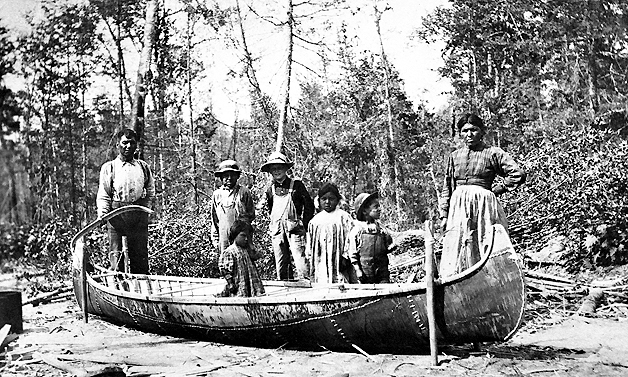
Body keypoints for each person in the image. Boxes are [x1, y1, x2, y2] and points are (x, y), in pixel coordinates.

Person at [439, 113, 526, 276]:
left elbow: (518, 174)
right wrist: (444, 215)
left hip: (483, 205)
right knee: (459, 243)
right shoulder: (454, 156)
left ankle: (489, 277)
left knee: (484, 240)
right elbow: (447, 187)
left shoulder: (493, 153)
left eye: (473, 130)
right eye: (465, 131)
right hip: (458, 207)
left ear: (482, 131)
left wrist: (497, 190)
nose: (469, 134)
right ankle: (459, 279)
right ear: (460, 134)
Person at [96, 128, 155, 274]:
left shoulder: (143, 167)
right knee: (116, 256)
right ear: (118, 145)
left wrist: (145, 209)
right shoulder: (109, 167)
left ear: (137, 146)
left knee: (140, 256)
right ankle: (118, 290)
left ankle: (141, 292)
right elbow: (104, 193)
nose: (129, 146)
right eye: (125, 143)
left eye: (132, 143)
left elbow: (151, 190)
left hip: (138, 215)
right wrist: (103, 213)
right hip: (116, 217)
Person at [261, 151, 315, 281]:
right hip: (277, 229)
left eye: (279, 167)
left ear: (285, 168)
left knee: (300, 260)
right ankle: (285, 290)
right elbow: (270, 209)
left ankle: (306, 289)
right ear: (270, 171)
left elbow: (309, 206)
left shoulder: (296, 185)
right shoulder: (270, 190)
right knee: (281, 261)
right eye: (273, 168)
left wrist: (305, 224)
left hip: (294, 228)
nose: (277, 171)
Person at [306, 183, 355, 283]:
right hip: (322, 258)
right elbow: (311, 244)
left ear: (337, 200)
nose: (327, 202)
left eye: (331, 199)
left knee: (341, 279)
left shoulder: (344, 217)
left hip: (340, 259)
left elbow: (350, 238)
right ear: (319, 200)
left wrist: (345, 256)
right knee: (323, 278)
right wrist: (310, 257)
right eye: (324, 199)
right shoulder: (315, 221)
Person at [210, 159, 255, 254]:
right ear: (221, 177)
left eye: (232, 175)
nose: (229, 178)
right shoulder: (217, 195)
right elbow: (214, 220)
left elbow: (251, 215)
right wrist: (216, 240)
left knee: (244, 263)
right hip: (224, 239)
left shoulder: (244, 192)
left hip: (241, 238)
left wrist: (245, 234)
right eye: (226, 175)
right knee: (226, 264)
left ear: (237, 176)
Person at [347, 192, 394, 284]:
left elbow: (388, 244)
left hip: (382, 271)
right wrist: (358, 270)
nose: (379, 209)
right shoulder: (357, 230)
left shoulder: (381, 228)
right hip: (365, 273)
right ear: (365, 211)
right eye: (375, 207)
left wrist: (390, 246)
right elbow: (352, 254)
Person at [218, 220, 265, 297]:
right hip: (239, 286)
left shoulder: (246, 250)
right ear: (235, 235)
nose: (246, 239)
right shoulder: (230, 252)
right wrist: (230, 283)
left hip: (250, 284)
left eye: (247, 237)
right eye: (243, 236)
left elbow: (257, 255)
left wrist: (251, 246)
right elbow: (225, 270)